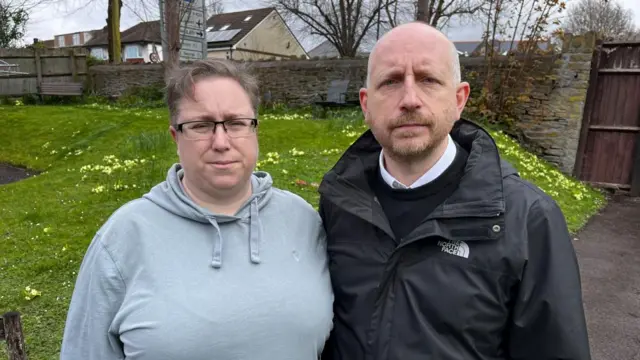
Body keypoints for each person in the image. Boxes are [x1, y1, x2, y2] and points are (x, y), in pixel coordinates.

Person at [318, 22, 591, 360]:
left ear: (460, 98)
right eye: (390, 82)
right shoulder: (338, 203)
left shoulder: (528, 218)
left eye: (428, 79)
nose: (409, 100)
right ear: (365, 105)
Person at [60, 59, 334, 360]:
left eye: (236, 123)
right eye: (201, 125)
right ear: (176, 137)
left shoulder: (302, 221)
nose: (221, 142)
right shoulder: (122, 239)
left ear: (255, 129)